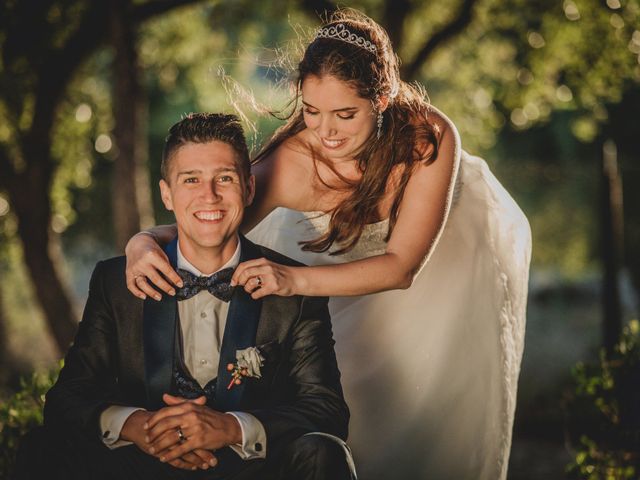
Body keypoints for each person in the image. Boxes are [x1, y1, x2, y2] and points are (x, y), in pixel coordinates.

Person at [125, 10, 532, 480]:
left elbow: (401, 267)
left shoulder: (426, 137)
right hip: (348, 266)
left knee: (442, 405)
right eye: (312, 112)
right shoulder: (295, 162)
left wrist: (292, 278)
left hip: (452, 261)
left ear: (381, 99)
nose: (327, 133)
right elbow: (211, 217)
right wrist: (143, 242)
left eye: (345, 114)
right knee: (349, 400)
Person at [16, 113, 354, 480]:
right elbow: (67, 399)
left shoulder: (293, 286)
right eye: (191, 180)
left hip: (251, 468)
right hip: (141, 465)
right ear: (167, 194)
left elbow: (326, 410)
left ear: (249, 189)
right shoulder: (115, 281)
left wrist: (231, 428)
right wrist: (138, 426)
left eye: (223, 178)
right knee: (42, 448)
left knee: (325, 452)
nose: (208, 195)